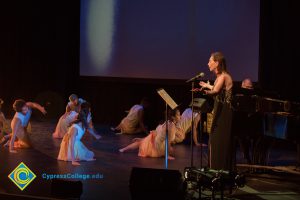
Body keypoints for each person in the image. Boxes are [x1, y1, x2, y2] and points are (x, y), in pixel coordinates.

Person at [199, 52, 234, 171]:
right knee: (214, 139)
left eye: (210, 61)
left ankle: (219, 170)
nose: (208, 63)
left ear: (217, 63)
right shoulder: (220, 77)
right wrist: (207, 86)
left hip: (224, 114)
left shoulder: (224, 76)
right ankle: (215, 168)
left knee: (218, 140)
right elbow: (216, 88)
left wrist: (206, 92)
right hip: (220, 111)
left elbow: (216, 91)